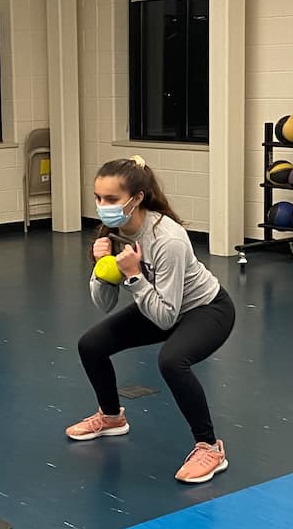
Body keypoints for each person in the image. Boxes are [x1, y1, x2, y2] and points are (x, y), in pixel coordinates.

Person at [67, 155, 236, 484]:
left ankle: (210, 448)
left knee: (172, 361)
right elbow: (103, 304)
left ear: (137, 198)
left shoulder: (167, 239)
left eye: (112, 199)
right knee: (91, 345)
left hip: (205, 309)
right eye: (99, 198)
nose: (103, 206)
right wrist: (102, 270)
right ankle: (112, 417)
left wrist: (133, 276)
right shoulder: (114, 231)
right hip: (157, 303)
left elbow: (166, 318)